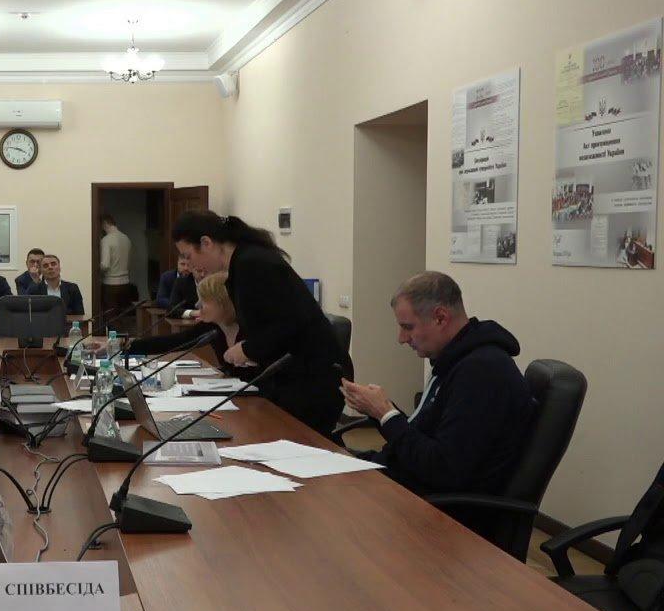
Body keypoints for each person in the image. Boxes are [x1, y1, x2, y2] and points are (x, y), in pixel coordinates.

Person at [340, 272, 533, 496]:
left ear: (440, 318)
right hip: (404, 479)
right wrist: (379, 411)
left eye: (408, 327)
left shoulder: (481, 373)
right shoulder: (455, 360)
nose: (402, 338)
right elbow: (423, 435)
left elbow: (442, 469)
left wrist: (386, 414)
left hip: (431, 504)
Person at [171, 210, 352, 437]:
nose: (189, 265)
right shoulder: (242, 264)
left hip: (312, 379)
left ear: (206, 243)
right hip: (292, 376)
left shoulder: (252, 263)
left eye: (188, 256)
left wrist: (247, 349)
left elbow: (290, 323)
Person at [126, 273, 245, 375]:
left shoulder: (248, 329)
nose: (197, 305)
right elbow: (174, 342)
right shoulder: (211, 326)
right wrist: (128, 346)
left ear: (221, 303)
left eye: (204, 300)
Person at [99, 214, 133, 326]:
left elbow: (105, 265)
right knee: (122, 315)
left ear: (105, 223)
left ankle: (112, 336)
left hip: (111, 283)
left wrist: (96, 270)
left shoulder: (106, 240)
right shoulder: (126, 238)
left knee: (111, 317)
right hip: (125, 282)